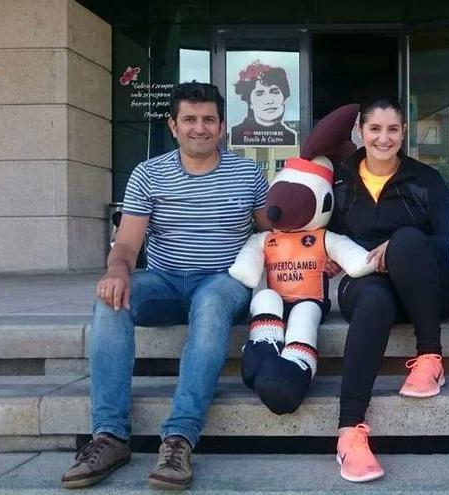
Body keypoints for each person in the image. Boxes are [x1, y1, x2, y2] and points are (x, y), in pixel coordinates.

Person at [61, 82, 270, 491]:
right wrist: (117, 270)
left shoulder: (248, 173)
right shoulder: (149, 174)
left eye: (209, 119)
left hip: (223, 283)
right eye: (189, 119)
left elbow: (272, 236)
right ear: (173, 126)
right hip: (165, 283)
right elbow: (126, 244)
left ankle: (179, 439)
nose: (200, 128)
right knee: (110, 300)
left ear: (222, 126)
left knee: (210, 303)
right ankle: (110, 436)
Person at [329, 99, 449, 482]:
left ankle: (430, 357)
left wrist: (402, 246)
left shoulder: (426, 180)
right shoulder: (341, 182)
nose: (383, 138)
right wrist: (331, 257)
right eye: (375, 129)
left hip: (427, 291)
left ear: (404, 132)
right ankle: (349, 433)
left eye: (392, 130)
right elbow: (328, 235)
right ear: (360, 131)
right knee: (372, 298)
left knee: (405, 239)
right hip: (368, 286)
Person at [230, 60, 298, 146]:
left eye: (274, 92)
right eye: (259, 94)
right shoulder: (237, 134)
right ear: (250, 103)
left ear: (284, 97)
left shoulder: (290, 136)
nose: (269, 100)